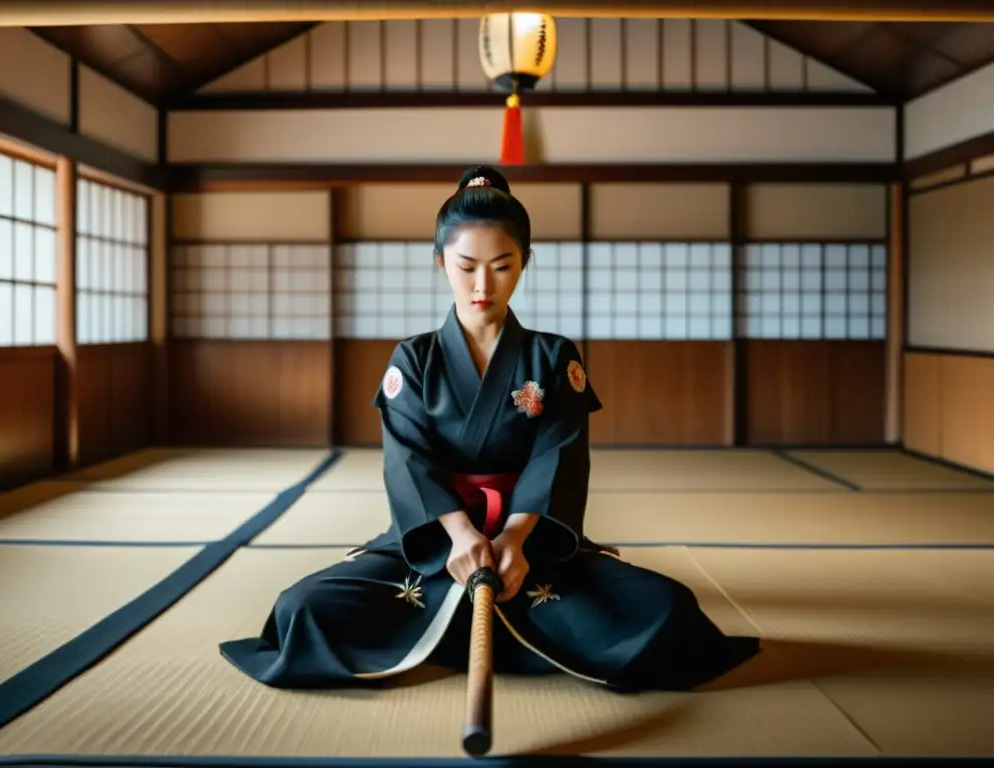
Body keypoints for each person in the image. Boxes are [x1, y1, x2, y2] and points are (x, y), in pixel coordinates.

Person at [219, 165, 760, 692]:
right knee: (301, 610)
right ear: (439, 263)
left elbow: (559, 455)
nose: (483, 284)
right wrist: (460, 536)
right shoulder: (414, 359)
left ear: (526, 261)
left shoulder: (553, 357)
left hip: (531, 548)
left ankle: (463, 629)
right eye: (466, 265)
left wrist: (515, 539)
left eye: (502, 266)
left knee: (668, 610)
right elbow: (408, 462)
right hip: (434, 549)